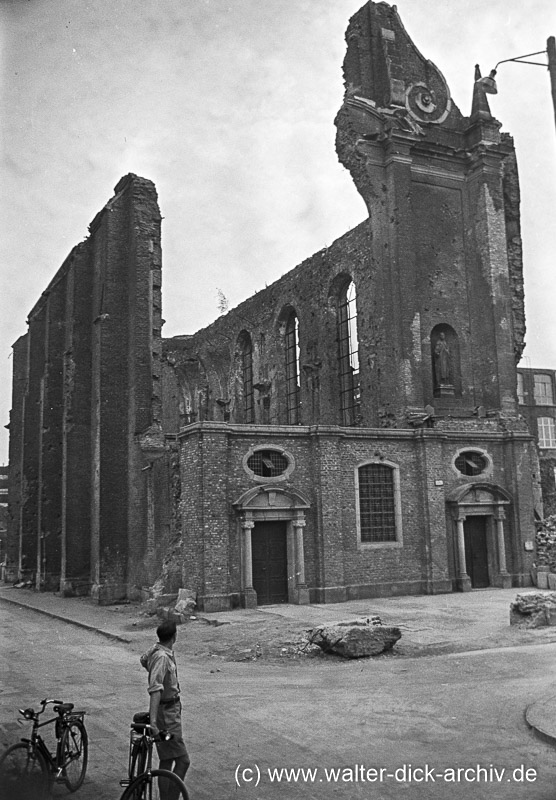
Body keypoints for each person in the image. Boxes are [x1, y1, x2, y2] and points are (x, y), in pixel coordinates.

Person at [140, 620, 190, 797]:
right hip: (167, 713)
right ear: (174, 637)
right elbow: (155, 689)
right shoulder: (162, 657)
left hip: (170, 710)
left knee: (167, 760)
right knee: (183, 761)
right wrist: (153, 722)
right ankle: (171, 798)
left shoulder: (157, 650)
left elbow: (143, 659)